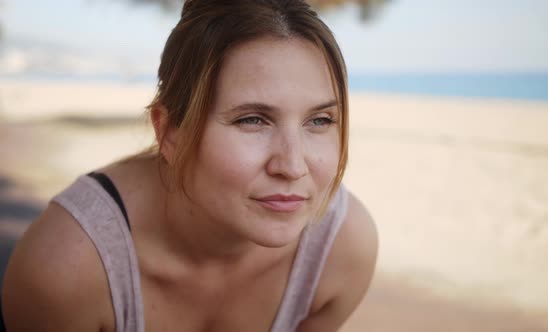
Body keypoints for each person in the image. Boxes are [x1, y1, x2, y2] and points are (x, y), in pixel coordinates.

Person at [1, 0, 378, 331]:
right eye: (252, 120)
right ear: (168, 132)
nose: (293, 166)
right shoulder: (67, 269)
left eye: (319, 120)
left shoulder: (341, 252)